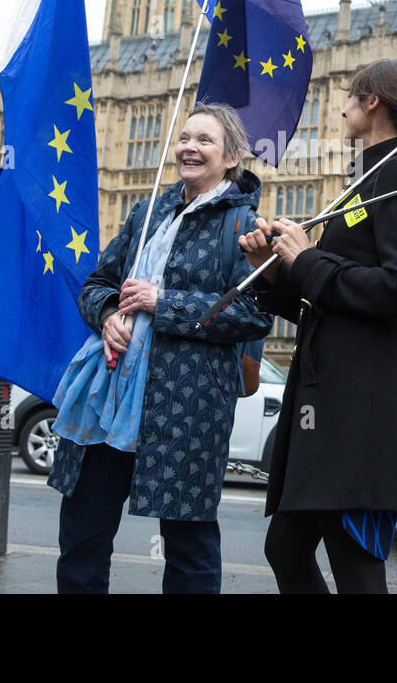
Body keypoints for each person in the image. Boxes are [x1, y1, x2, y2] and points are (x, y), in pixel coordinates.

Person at [239, 58, 397, 593]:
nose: (343, 107)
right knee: (285, 549)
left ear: (372, 102)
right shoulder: (367, 178)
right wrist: (273, 268)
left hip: (361, 405)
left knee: (354, 561)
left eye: (350, 96)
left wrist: (307, 260)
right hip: (328, 402)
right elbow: (327, 297)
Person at [48, 103, 271, 594]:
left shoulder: (243, 226)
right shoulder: (147, 211)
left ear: (232, 156)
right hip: (107, 401)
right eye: (185, 138)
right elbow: (97, 284)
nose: (190, 147)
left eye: (205, 140)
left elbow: (253, 314)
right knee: (82, 537)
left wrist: (162, 301)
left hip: (183, 412)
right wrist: (108, 316)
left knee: (188, 550)